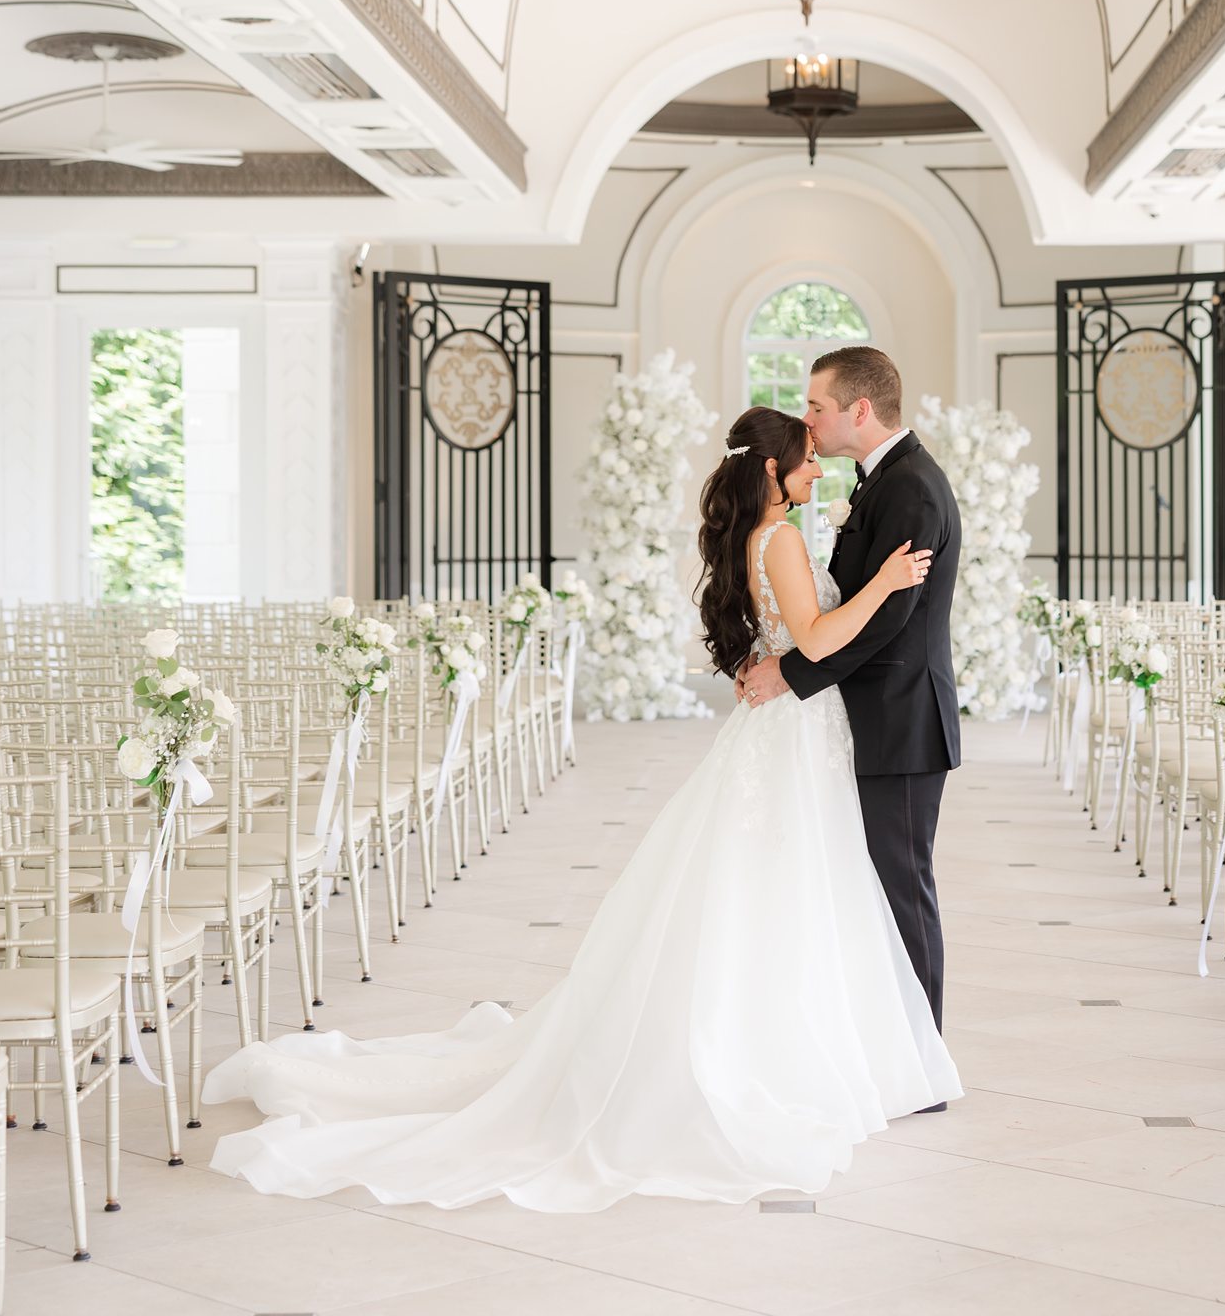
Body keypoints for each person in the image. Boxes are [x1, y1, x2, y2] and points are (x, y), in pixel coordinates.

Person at [202, 404, 960, 1212]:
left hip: (794, 733)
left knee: (788, 890)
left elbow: (785, 641)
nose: (818, 471)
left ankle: (810, 1043)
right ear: (773, 472)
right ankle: (778, 1053)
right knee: (790, 887)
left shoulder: (765, 536)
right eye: (806, 459)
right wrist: (880, 582)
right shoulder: (778, 538)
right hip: (795, 735)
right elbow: (811, 638)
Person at [738, 346, 961, 1081]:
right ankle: (882, 1049)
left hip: (901, 725)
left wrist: (791, 675)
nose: (810, 420)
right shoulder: (881, 483)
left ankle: (918, 1065)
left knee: (902, 889)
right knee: (870, 889)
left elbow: (890, 620)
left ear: (858, 411)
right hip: (868, 722)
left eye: (817, 407)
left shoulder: (913, 490)